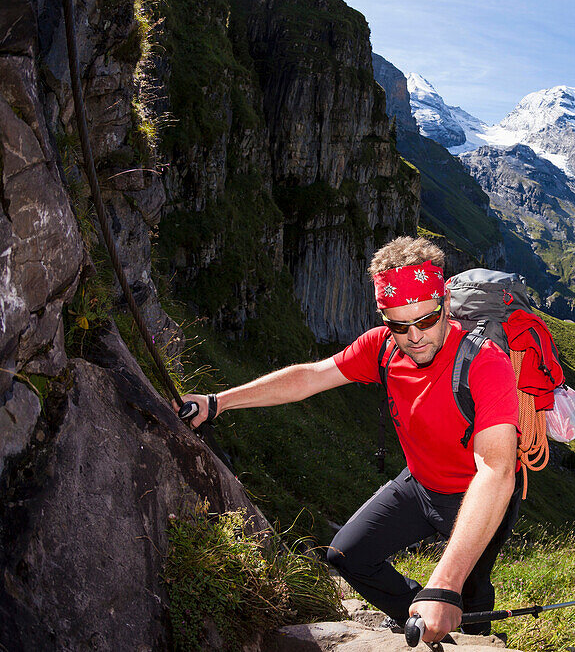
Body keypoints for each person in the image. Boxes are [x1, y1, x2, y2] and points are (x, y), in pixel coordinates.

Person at [180, 237, 521, 645]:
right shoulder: (381, 347)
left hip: (476, 494)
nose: (413, 337)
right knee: (348, 555)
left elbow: (496, 470)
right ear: (384, 318)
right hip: (420, 481)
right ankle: (426, 619)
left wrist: (445, 583)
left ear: (444, 305)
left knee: (470, 590)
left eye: (426, 321)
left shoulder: (485, 363)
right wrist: (218, 402)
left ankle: (472, 633)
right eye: (398, 325)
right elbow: (311, 376)